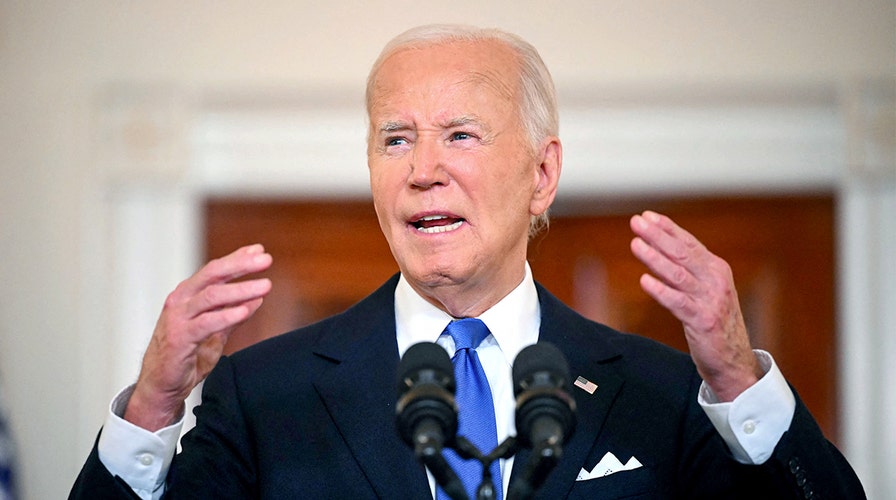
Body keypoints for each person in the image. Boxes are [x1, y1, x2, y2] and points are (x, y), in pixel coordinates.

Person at [71, 24, 864, 499]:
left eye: (459, 134)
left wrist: (736, 380)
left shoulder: (659, 393)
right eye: (395, 138)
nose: (422, 169)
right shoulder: (261, 396)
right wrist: (150, 407)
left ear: (542, 175)